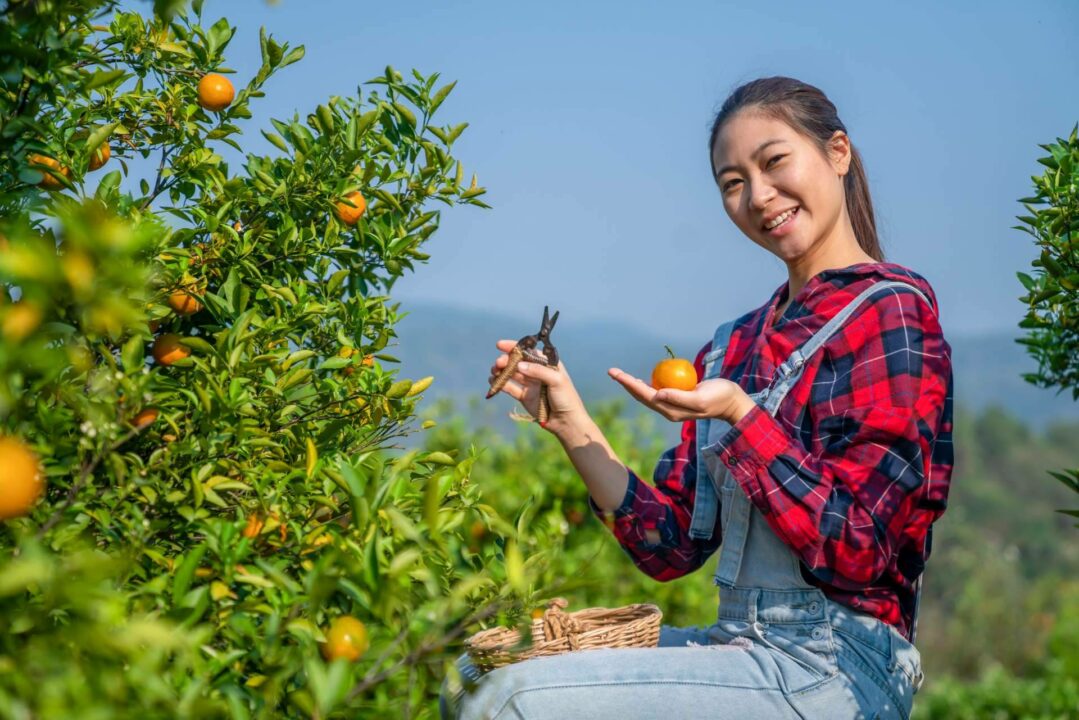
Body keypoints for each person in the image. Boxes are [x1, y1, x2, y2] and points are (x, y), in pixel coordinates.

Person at [441, 75, 954, 720]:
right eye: (732, 183)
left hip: (838, 663)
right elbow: (671, 545)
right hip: (740, 643)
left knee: (513, 700)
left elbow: (860, 546)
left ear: (838, 154)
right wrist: (570, 421)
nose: (758, 196)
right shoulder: (734, 343)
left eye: (773, 163)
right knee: (473, 674)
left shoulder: (890, 311)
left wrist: (741, 416)